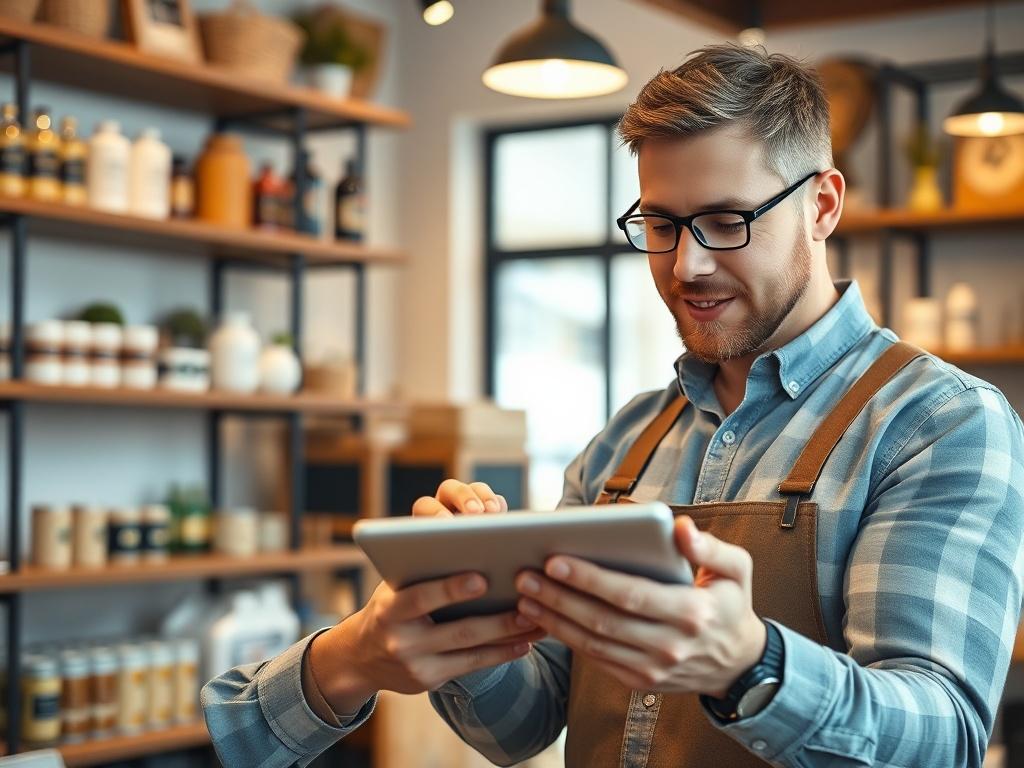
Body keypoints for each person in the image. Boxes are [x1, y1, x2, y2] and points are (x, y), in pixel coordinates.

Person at [201, 43, 1024, 768]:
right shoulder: (627, 440)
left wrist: (751, 666)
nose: (688, 265)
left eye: (726, 222)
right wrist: (466, 623)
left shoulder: (939, 424)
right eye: (660, 225)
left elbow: (941, 735)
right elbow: (526, 723)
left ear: (823, 206)